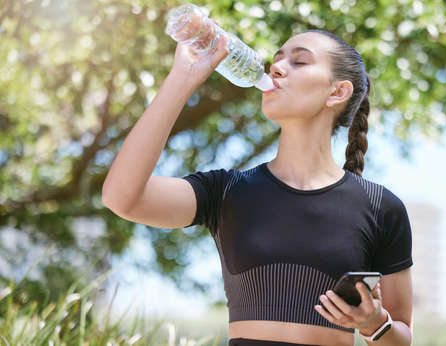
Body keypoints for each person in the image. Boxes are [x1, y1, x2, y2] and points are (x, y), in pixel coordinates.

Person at [102, 24, 413, 346]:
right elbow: (121, 197)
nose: (276, 67)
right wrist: (183, 78)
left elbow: (402, 336)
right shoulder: (226, 191)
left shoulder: (381, 207)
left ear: (337, 92)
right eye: (277, 59)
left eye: (300, 62)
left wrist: (375, 323)